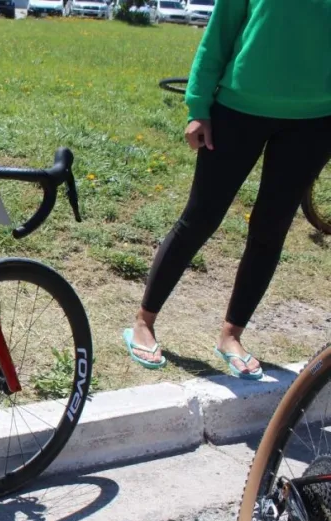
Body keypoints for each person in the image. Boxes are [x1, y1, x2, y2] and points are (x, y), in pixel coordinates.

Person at [123, 0, 331, 380]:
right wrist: (198, 106)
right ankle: (143, 321)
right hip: (237, 110)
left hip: (315, 122)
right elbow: (219, 34)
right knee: (201, 218)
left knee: (271, 230)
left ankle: (231, 335)